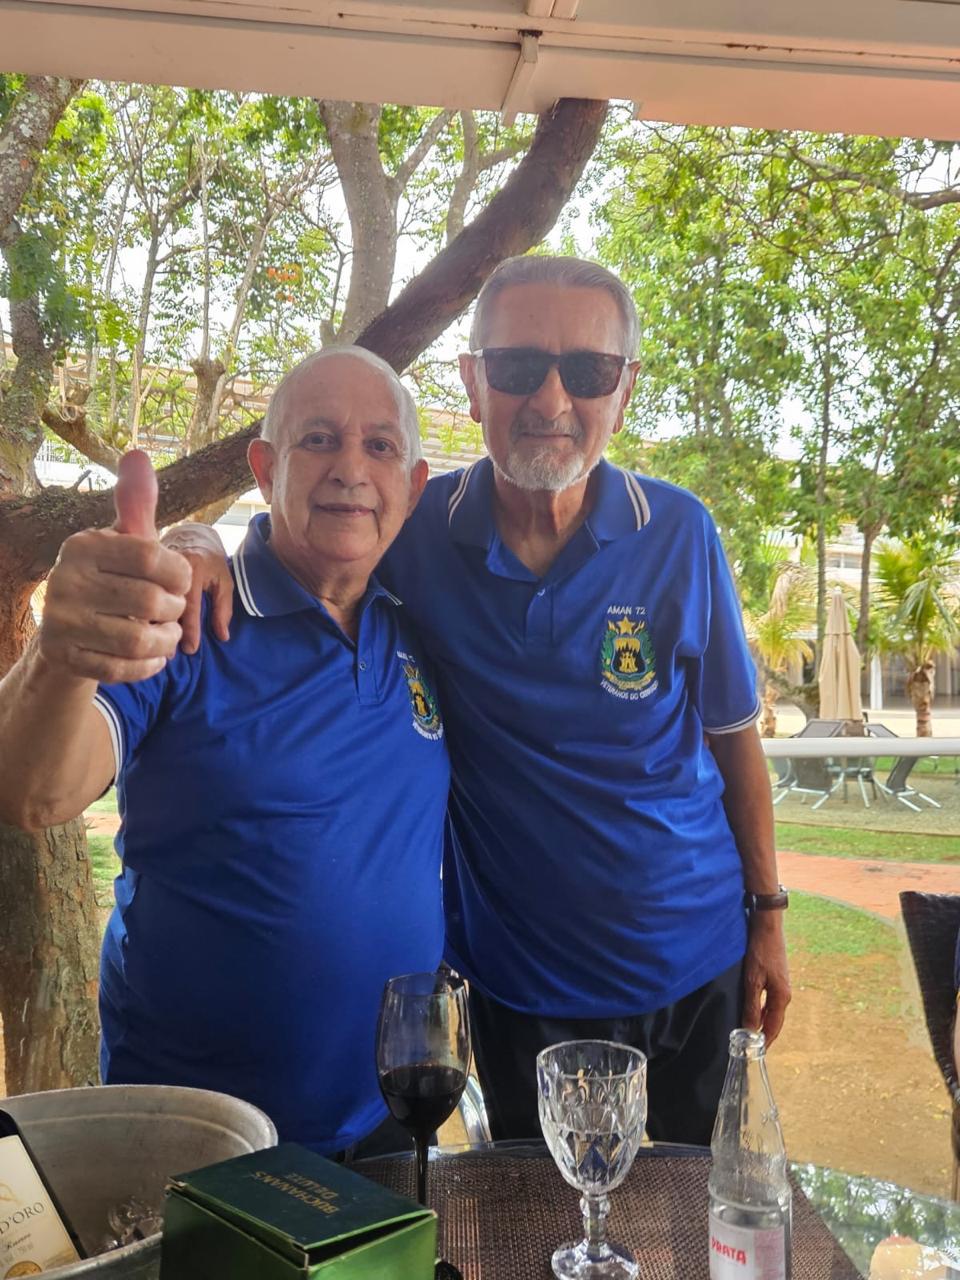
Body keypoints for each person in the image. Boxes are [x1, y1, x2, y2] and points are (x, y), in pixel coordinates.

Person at [169, 256, 791, 1146]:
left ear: (624, 391)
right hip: (516, 985)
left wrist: (768, 919)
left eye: (588, 371)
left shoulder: (680, 532)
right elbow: (298, 533)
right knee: (540, 1213)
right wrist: (195, 539)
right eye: (517, 366)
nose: (550, 399)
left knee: (700, 1204)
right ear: (472, 382)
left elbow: (734, 741)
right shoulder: (414, 529)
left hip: (698, 961)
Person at [0, 348, 450, 1155]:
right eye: (319, 439)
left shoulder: (419, 625)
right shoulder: (186, 618)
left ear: (413, 487)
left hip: (388, 1115)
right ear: (266, 469)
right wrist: (61, 654)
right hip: (197, 1135)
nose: (351, 469)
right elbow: (32, 792)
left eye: (380, 446)